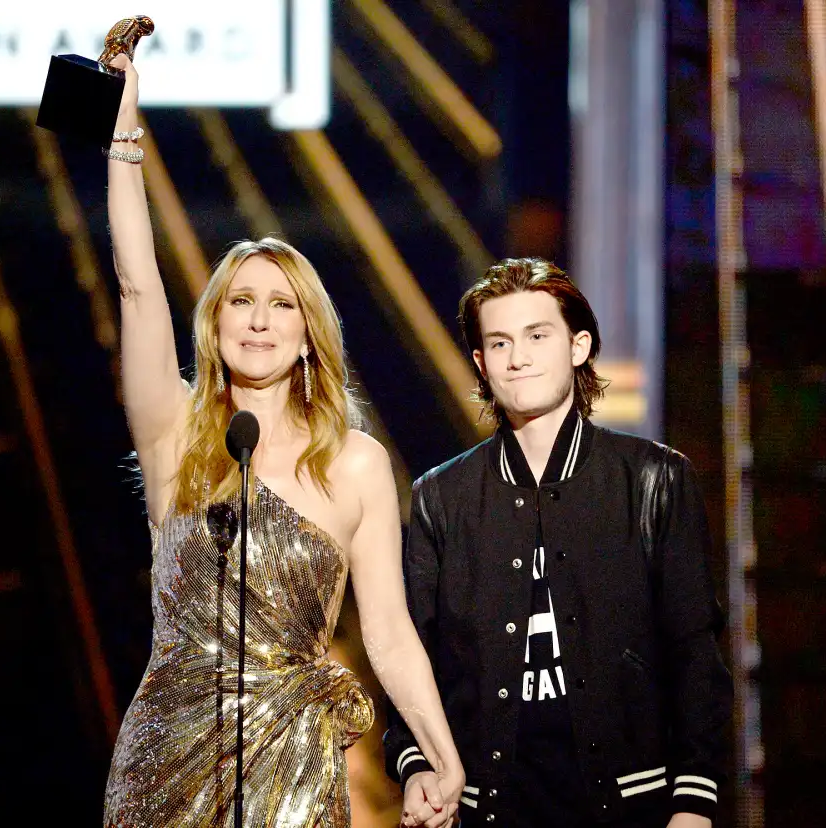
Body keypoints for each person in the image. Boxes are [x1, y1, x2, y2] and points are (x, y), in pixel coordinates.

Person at [101, 55, 464, 827]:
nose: (260, 320)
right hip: (164, 763)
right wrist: (123, 138)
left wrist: (441, 753)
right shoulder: (176, 434)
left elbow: (390, 634)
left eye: (280, 305)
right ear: (216, 323)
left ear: (308, 336)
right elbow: (136, 285)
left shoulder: (355, 463)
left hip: (293, 763)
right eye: (241, 301)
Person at [383, 258, 732, 828]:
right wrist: (417, 764)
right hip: (487, 809)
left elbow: (694, 655)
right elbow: (409, 660)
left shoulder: (653, 479)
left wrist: (694, 802)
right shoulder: (439, 499)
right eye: (498, 343)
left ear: (578, 346)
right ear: (481, 363)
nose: (517, 357)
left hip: (631, 807)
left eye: (537, 335)